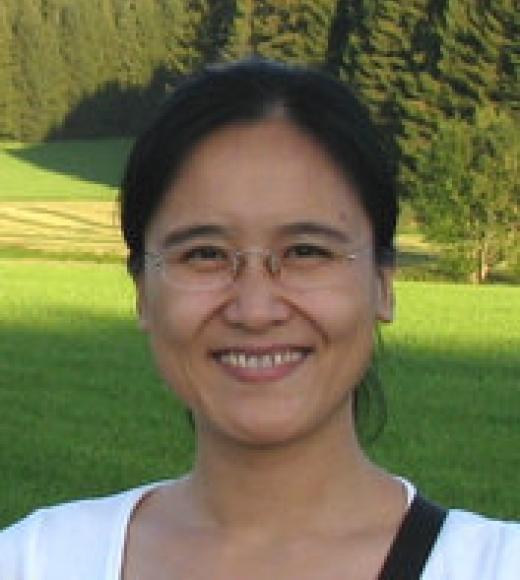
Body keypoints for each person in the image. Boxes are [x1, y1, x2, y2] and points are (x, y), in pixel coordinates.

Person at [1, 58, 518, 580]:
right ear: (142, 293)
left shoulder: (495, 565)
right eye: (205, 255)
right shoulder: (37, 560)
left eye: (306, 252)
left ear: (383, 283)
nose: (254, 309)